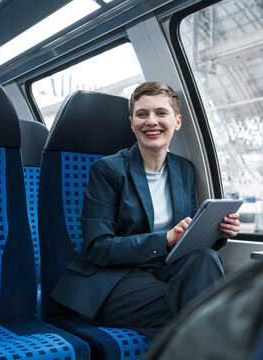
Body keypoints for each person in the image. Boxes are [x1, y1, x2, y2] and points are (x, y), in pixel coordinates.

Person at [51, 81, 241, 338]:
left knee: (206, 259)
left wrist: (216, 232)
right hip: (115, 279)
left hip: (164, 270)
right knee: (199, 307)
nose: (151, 121)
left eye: (161, 113)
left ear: (177, 121)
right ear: (132, 124)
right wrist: (164, 239)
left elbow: (188, 235)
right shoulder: (108, 170)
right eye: (142, 114)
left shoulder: (184, 169)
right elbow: (98, 246)